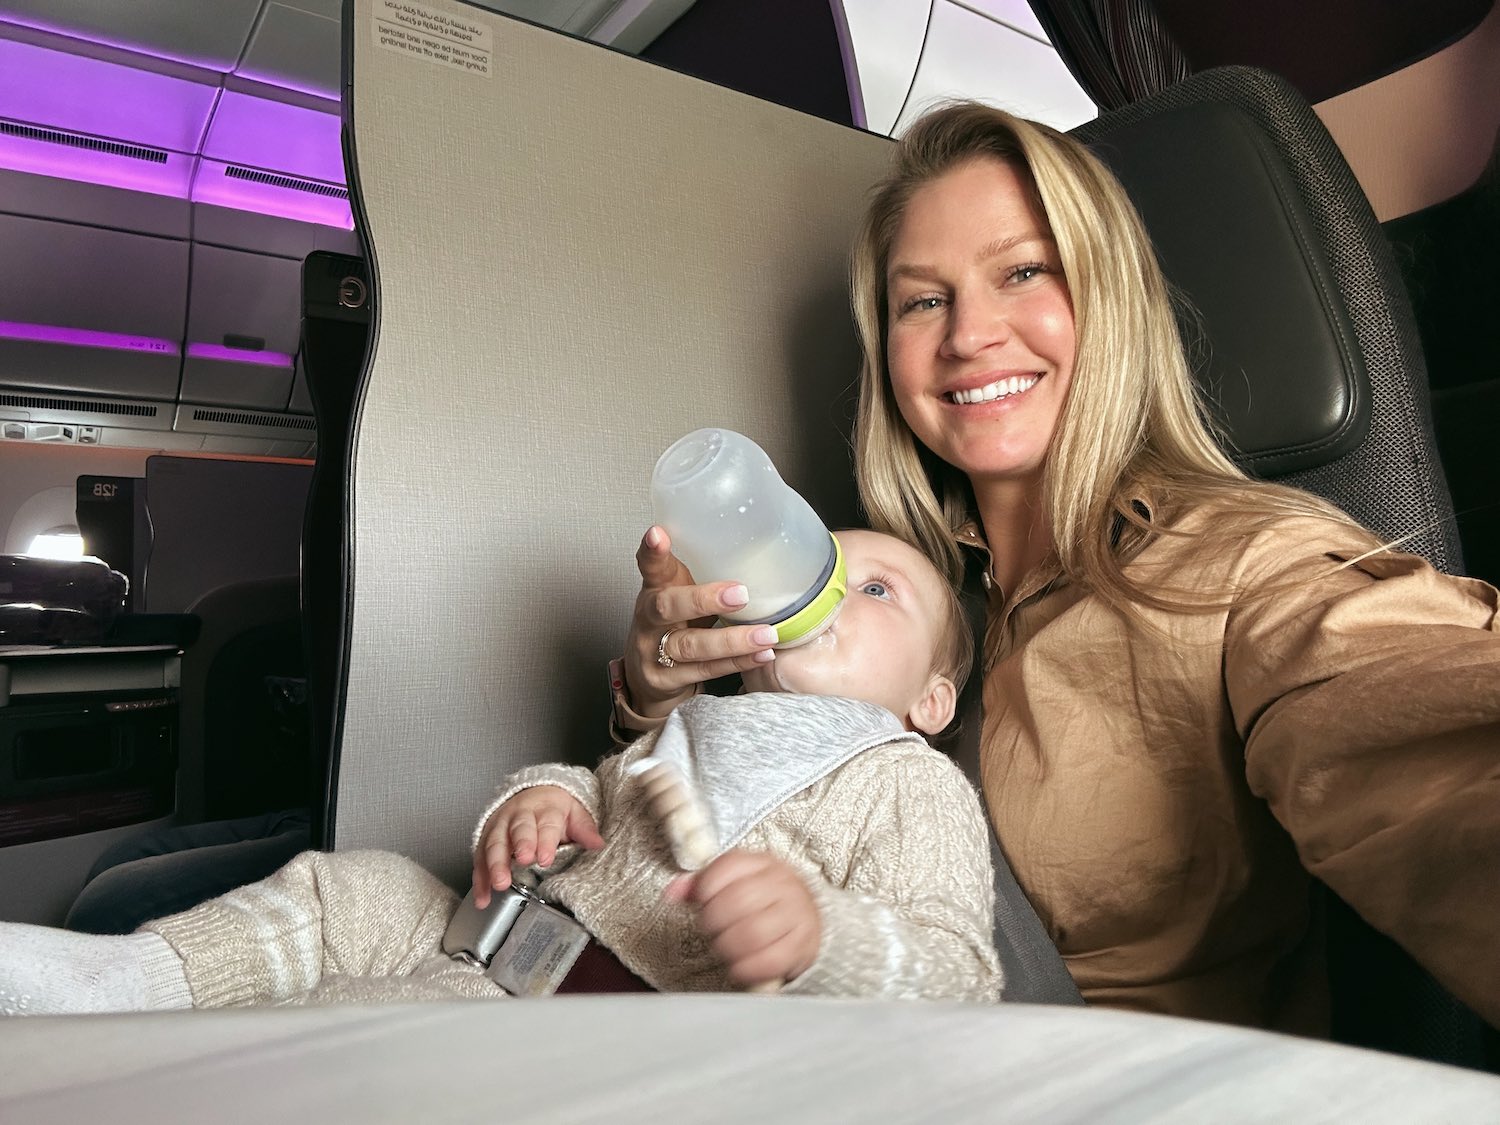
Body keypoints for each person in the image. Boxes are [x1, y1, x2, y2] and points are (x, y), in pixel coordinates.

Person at [616, 102, 1500, 1037]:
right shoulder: (888, 588)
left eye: (1023, 271)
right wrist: (656, 696)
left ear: (1107, 296)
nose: (968, 334)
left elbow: (1426, 736)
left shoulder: (1247, 569)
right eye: (923, 298)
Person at [0, 530, 1001, 1015]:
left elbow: (960, 974)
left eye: (876, 590)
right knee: (361, 886)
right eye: (816, 572)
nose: (831, 595)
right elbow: (597, 790)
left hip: (624, 1026)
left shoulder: (907, 783)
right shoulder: (698, 722)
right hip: (500, 943)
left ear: (934, 700)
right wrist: (539, 801)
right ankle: (127, 980)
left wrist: (824, 935)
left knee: (361, 1036)